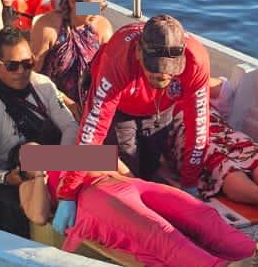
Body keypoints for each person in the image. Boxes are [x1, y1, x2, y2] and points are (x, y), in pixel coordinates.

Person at [19, 165, 258, 267]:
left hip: (125, 183)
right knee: (159, 234)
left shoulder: (69, 152)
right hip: (92, 197)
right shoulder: (28, 184)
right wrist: (40, 173)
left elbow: (120, 165)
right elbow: (39, 215)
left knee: (201, 215)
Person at [68, 13, 210, 194]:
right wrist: (69, 191)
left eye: (170, 71)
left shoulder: (196, 60)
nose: (163, 75)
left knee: (148, 168)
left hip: (160, 109)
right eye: (154, 69)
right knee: (128, 170)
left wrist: (191, 183)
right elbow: (93, 129)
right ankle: (50, 158)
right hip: (119, 107)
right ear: (138, 51)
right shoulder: (118, 57)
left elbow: (199, 128)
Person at [0, 27, 77, 233]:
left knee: (109, 157)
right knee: (33, 152)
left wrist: (63, 160)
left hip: (56, 160)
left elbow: (70, 127)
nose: (22, 71)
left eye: (27, 64)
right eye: (13, 66)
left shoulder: (43, 85)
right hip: (22, 169)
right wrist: (6, 178)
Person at [170, 76, 258, 209]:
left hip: (216, 125)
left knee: (250, 149)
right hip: (183, 129)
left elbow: (224, 90)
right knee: (217, 159)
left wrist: (189, 77)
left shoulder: (192, 80)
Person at [29, 0, 113, 111]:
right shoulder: (48, 28)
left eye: (101, 6)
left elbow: (110, 72)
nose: (97, 11)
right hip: (52, 101)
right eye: (92, 6)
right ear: (73, 1)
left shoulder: (102, 27)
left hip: (92, 103)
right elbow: (32, 75)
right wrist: (65, 102)